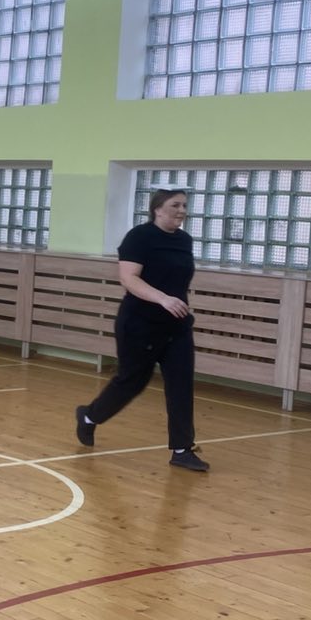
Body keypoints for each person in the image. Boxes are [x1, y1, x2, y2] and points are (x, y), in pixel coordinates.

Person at [75, 188, 209, 472]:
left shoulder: (184, 240)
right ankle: (89, 417)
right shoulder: (139, 237)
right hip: (139, 325)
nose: (182, 210)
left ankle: (182, 449)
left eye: (184, 205)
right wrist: (163, 299)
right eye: (175, 205)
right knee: (131, 382)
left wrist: (174, 302)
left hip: (177, 327)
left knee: (181, 384)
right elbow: (129, 278)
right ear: (157, 209)